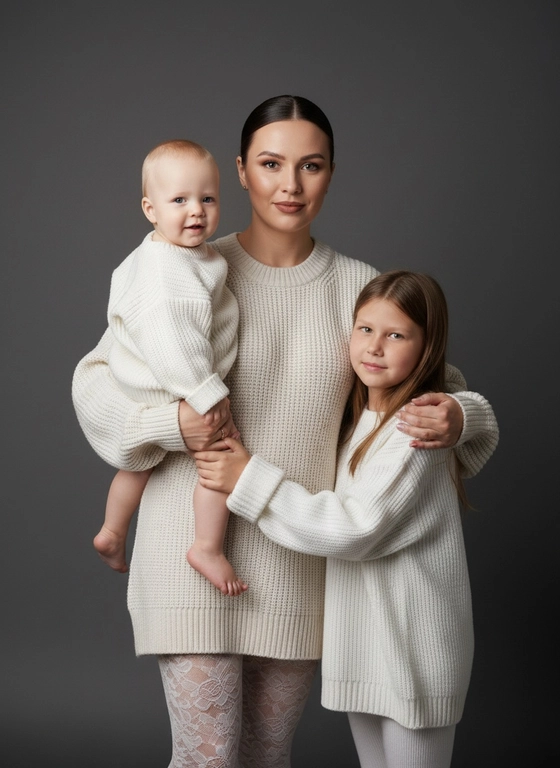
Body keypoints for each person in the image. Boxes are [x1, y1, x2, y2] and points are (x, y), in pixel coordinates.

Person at [72, 95, 499, 768]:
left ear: (331, 173)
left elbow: (433, 392)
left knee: (268, 755)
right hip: (186, 548)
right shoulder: (181, 270)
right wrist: (173, 425)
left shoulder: (359, 288)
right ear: (241, 171)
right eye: (271, 164)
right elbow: (95, 385)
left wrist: (462, 415)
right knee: (209, 755)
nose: (290, 185)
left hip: (298, 561)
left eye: (312, 166)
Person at [195, 269, 499, 768]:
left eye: (396, 334)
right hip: (365, 648)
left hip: (412, 654)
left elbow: (356, 527)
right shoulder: (358, 416)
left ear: (427, 347)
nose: (374, 347)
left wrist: (248, 480)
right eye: (364, 328)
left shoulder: (414, 430)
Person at [92, 138, 247, 596]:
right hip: (173, 385)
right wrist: (207, 394)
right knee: (219, 454)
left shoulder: (179, 256)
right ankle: (206, 546)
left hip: (150, 382)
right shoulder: (167, 271)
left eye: (207, 198)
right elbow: (172, 341)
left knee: (137, 465)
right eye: (178, 200)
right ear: (150, 208)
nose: (195, 210)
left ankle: (113, 531)